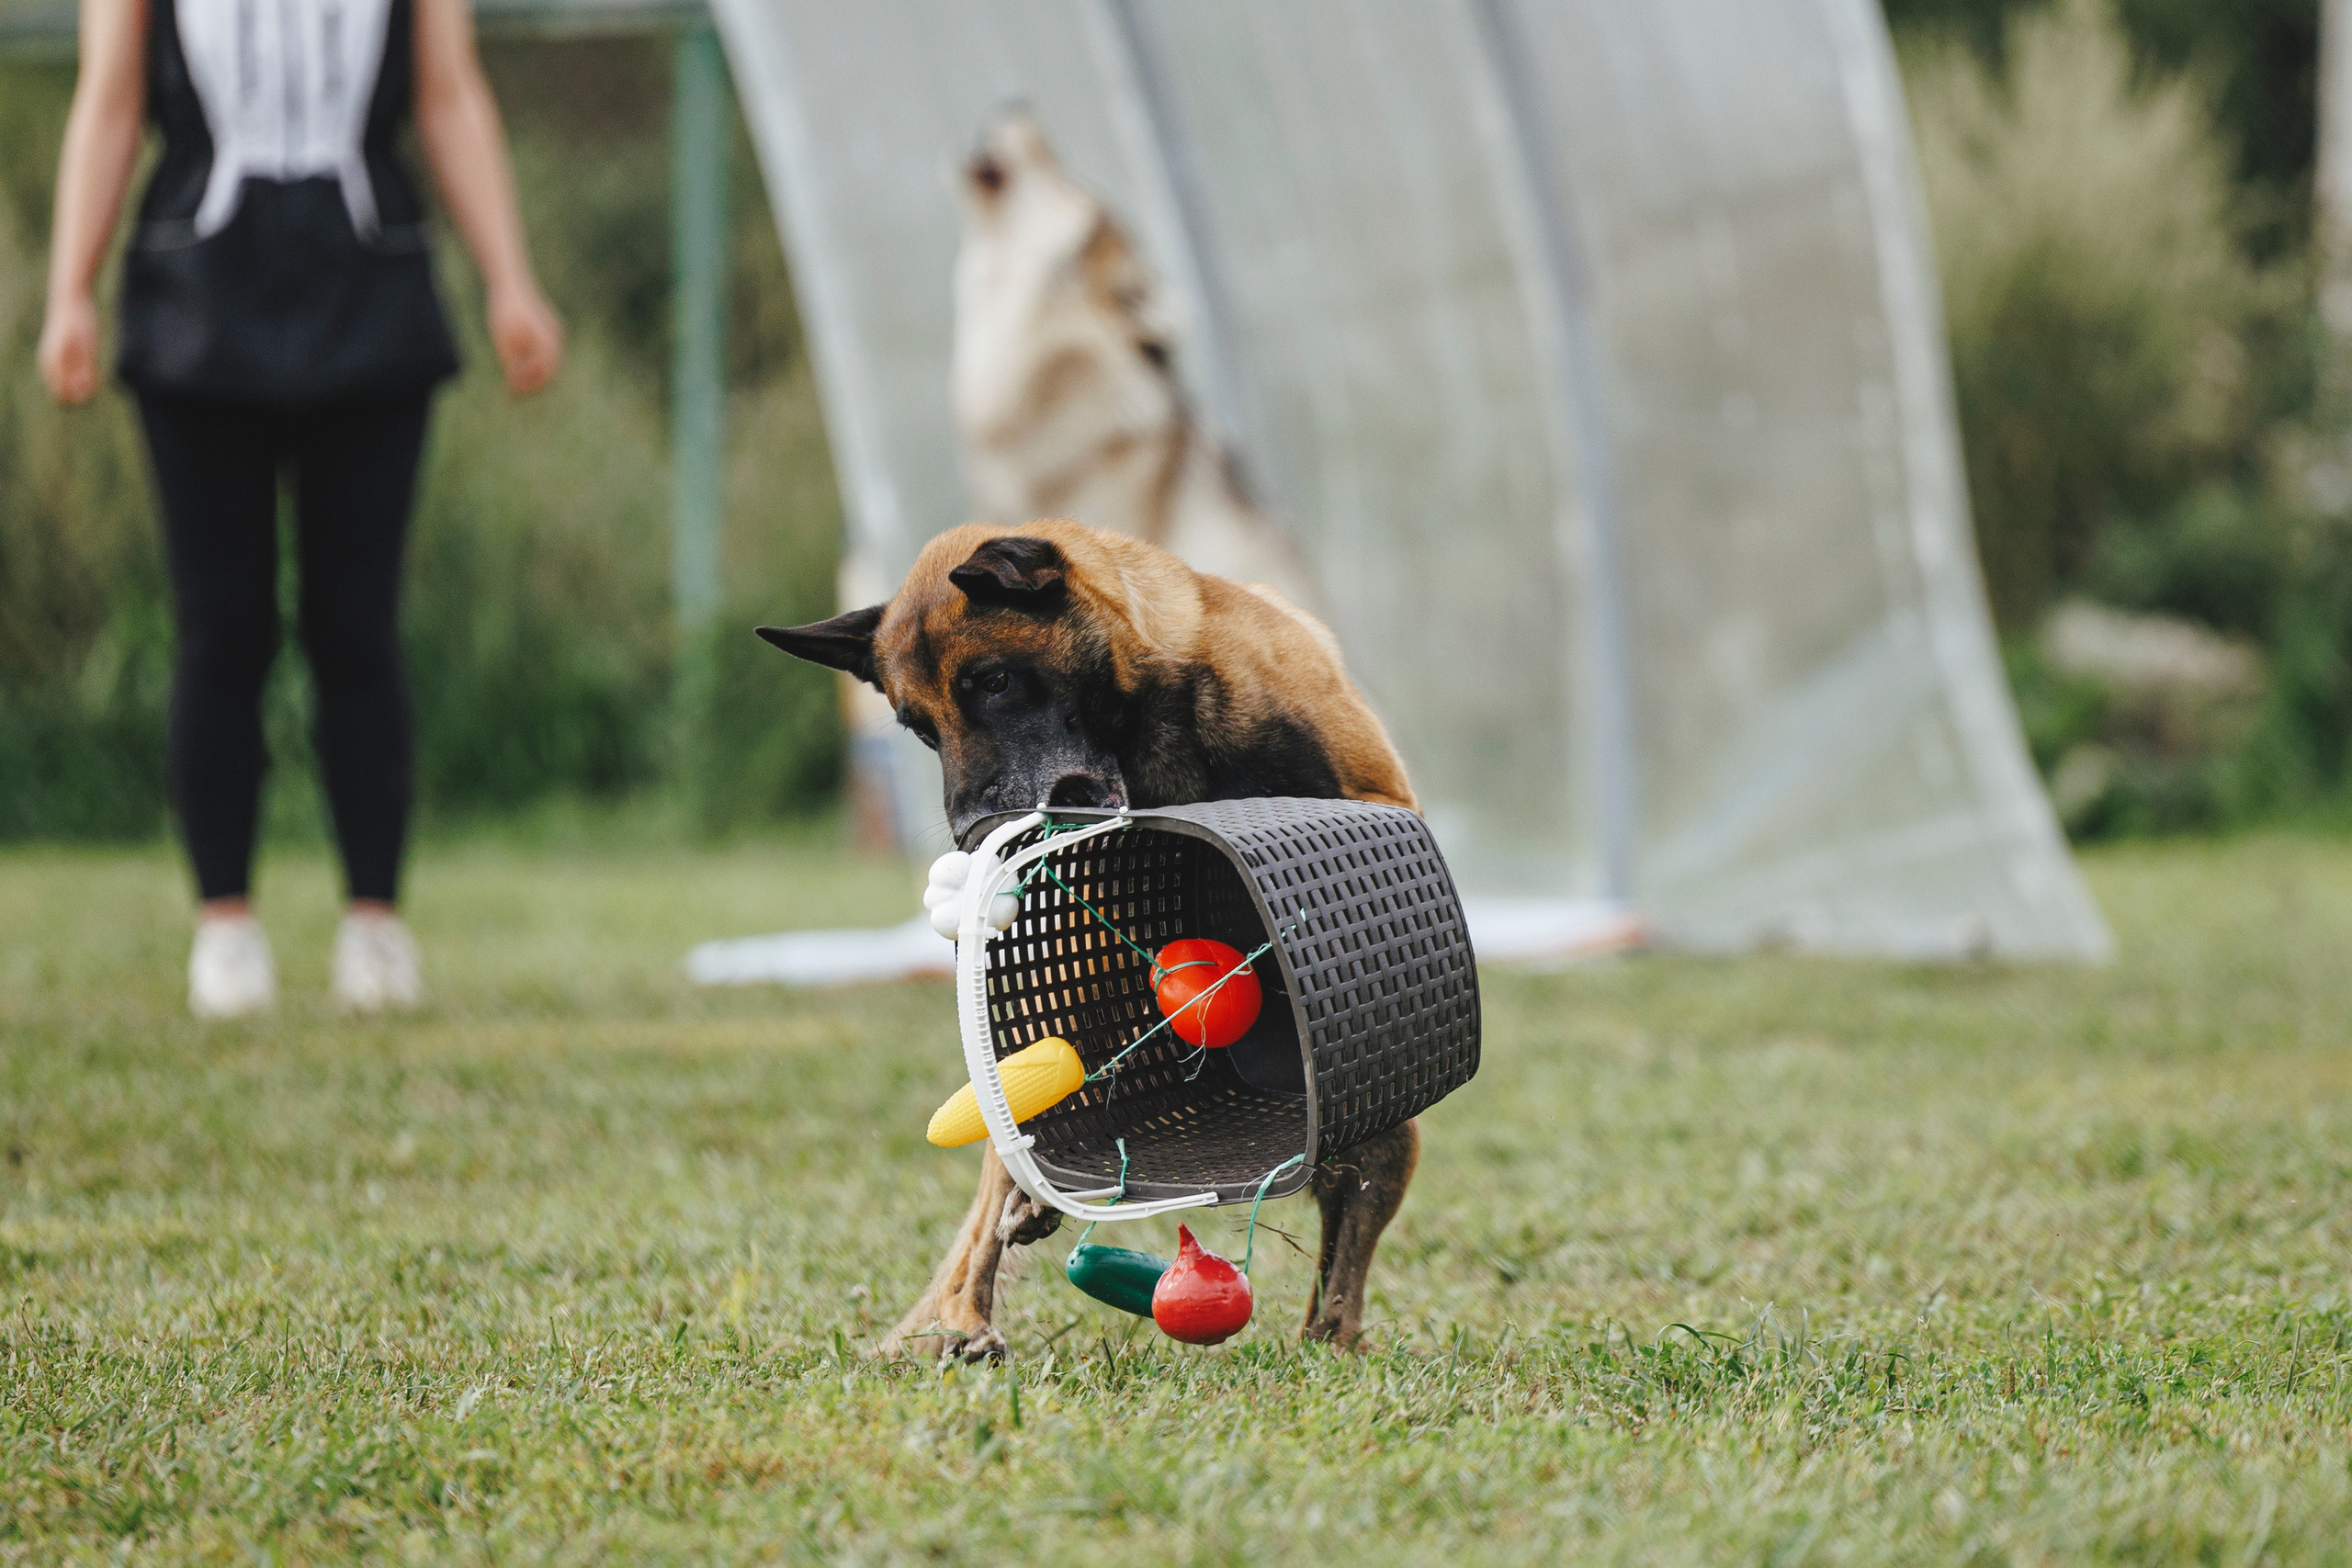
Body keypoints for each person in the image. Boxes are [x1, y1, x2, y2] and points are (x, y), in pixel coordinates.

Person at [38, 0, 562, 1018]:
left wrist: (511, 282)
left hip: (372, 301)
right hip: (194, 306)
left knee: (356, 629)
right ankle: (224, 928)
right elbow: (107, 104)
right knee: (221, 629)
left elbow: (448, 98)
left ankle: (375, 925)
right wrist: (71, 289)